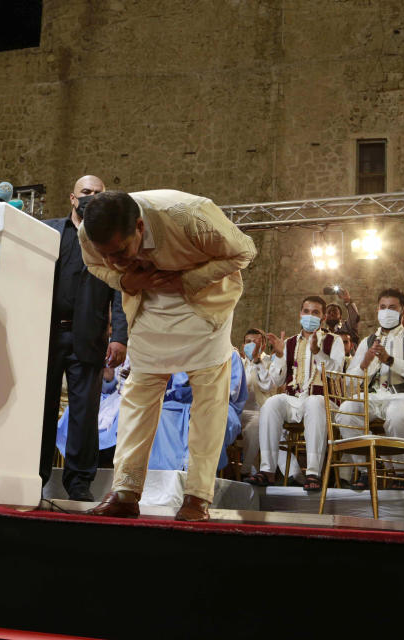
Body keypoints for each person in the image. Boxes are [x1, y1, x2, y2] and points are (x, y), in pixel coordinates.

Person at [79, 189, 257, 521]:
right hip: (148, 304)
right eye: (108, 254)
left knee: (209, 399)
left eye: (121, 251)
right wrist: (124, 277)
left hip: (203, 304)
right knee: (138, 394)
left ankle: (197, 497)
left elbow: (244, 251)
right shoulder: (89, 233)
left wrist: (188, 279)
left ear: (140, 227)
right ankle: (126, 492)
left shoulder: (192, 216)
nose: (113, 260)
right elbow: (94, 265)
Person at [39, 175, 128, 501]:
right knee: (41, 411)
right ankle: (35, 477)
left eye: (98, 194)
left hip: (88, 338)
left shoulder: (108, 241)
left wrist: (119, 336)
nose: (91, 197)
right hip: (46, 337)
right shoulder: (48, 232)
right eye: (85, 193)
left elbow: (120, 290)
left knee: (84, 415)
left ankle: (79, 484)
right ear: (72, 198)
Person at [248, 296, 345, 491]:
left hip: (325, 403)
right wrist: (280, 355)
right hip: (296, 399)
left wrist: (317, 352)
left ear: (323, 317)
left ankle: (313, 472)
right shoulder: (290, 342)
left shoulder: (334, 341)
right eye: (306, 312)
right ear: (300, 314)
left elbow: (336, 375)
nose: (310, 316)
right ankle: (267, 470)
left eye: (315, 312)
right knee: (272, 403)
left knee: (315, 402)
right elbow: (276, 382)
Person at [334, 288, 404, 466]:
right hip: (374, 396)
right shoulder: (368, 341)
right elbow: (348, 382)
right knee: (346, 411)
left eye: (392, 307)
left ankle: (400, 472)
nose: (387, 311)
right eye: (383, 307)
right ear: (377, 309)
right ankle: (369, 466)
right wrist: (364, 364)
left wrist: (390, 360)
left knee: (398, 414)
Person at [147, 348, 247, 473]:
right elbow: (172, 391)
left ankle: (199, 476)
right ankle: (165, 473)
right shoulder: (182, 354)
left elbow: (229, 392)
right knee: (160, 414)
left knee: (208, 416)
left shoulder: (229, 353)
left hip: (217, 404)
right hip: (181, 405)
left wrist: (200, 385)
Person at [238, 329, 277, 477]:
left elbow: (268, 386)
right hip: (237, 411)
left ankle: (246, 470)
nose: (251, 345)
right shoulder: (239, 363)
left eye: (256, 342)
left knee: (254, 427)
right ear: (243, 345)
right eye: (248, 342)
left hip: (259, 411)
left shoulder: (270, 362)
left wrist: (257, 361)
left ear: (264, 345)